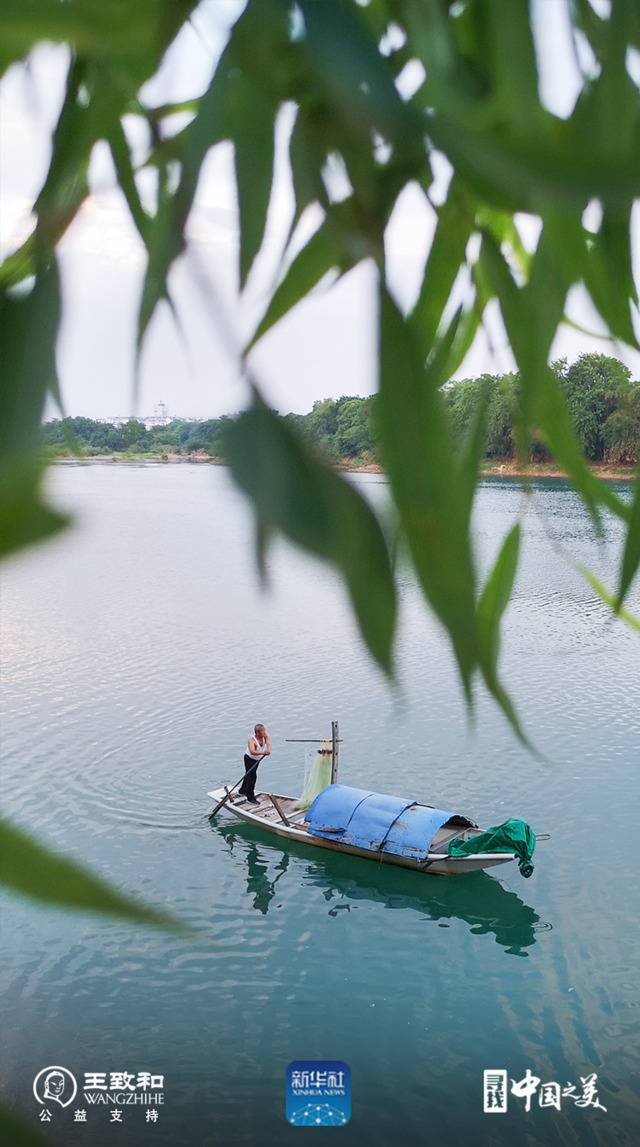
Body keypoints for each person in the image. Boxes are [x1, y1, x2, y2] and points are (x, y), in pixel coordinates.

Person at [239, 724, 272, 803]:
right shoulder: (252, 740)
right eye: (263, 731)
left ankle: (242, 791)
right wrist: (263, 752)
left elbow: (268, 742)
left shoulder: (265, 735)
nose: (265, 732)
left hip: (257, 760)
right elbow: (252, 752)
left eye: (264, 730)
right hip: (249, 759)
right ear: (258, 733)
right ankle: (250, 797)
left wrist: (268, 750)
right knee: (252, 777)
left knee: (248, 774)